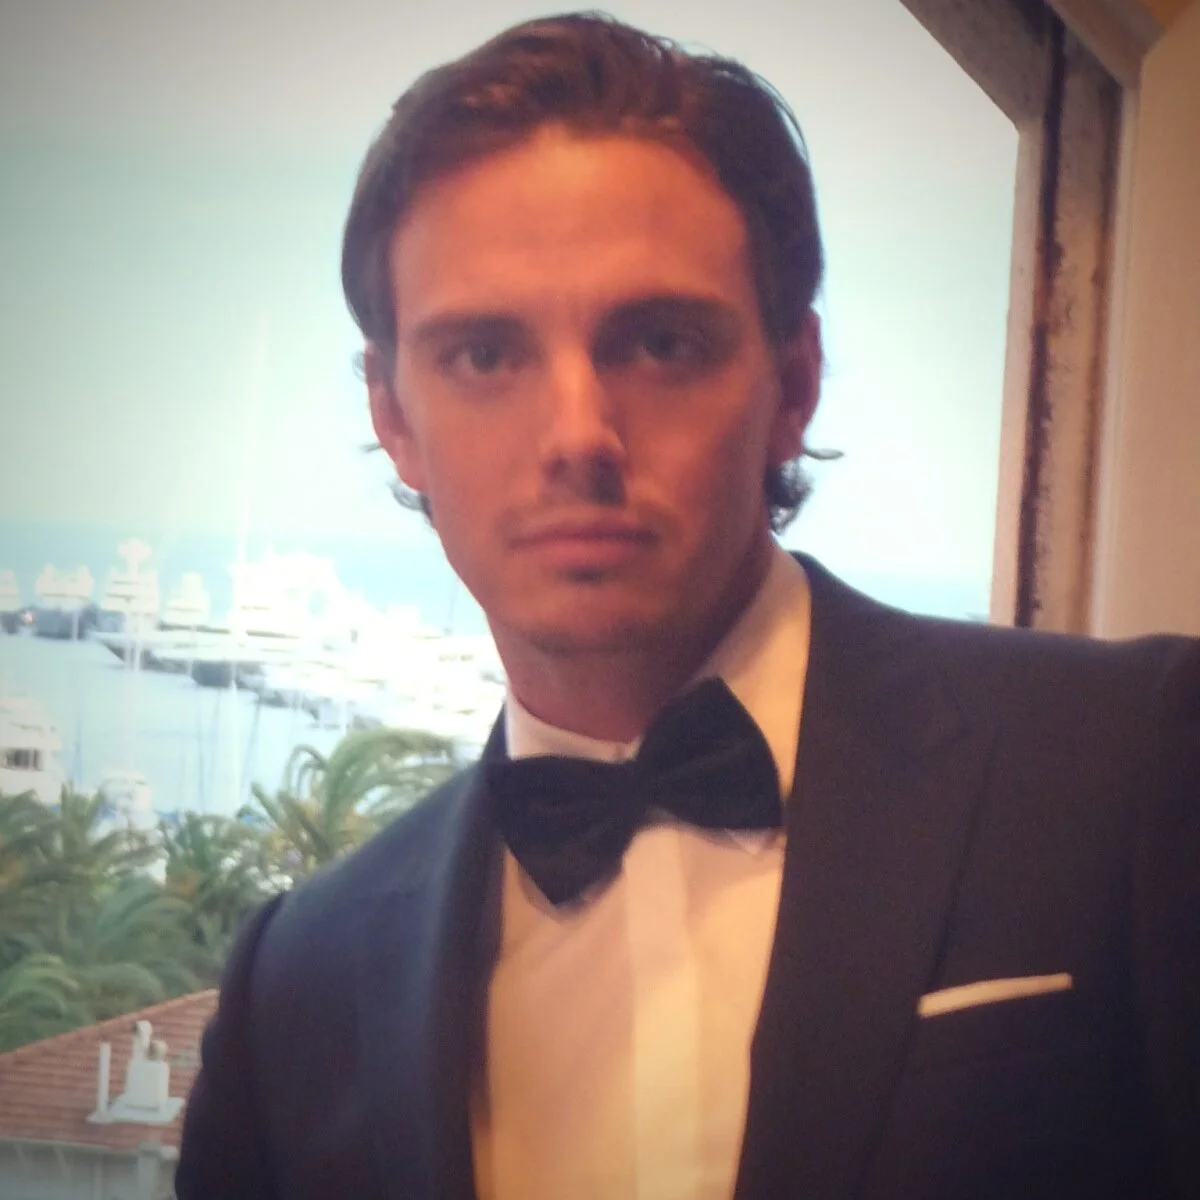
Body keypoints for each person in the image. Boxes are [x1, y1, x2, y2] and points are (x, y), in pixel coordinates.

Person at [176, 13, 1200, 1199]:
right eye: (485, 356)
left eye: (660, 343)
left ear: (793, 385)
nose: (579, 435)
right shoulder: (296, 986)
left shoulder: (1132, 765)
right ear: (393, 417)